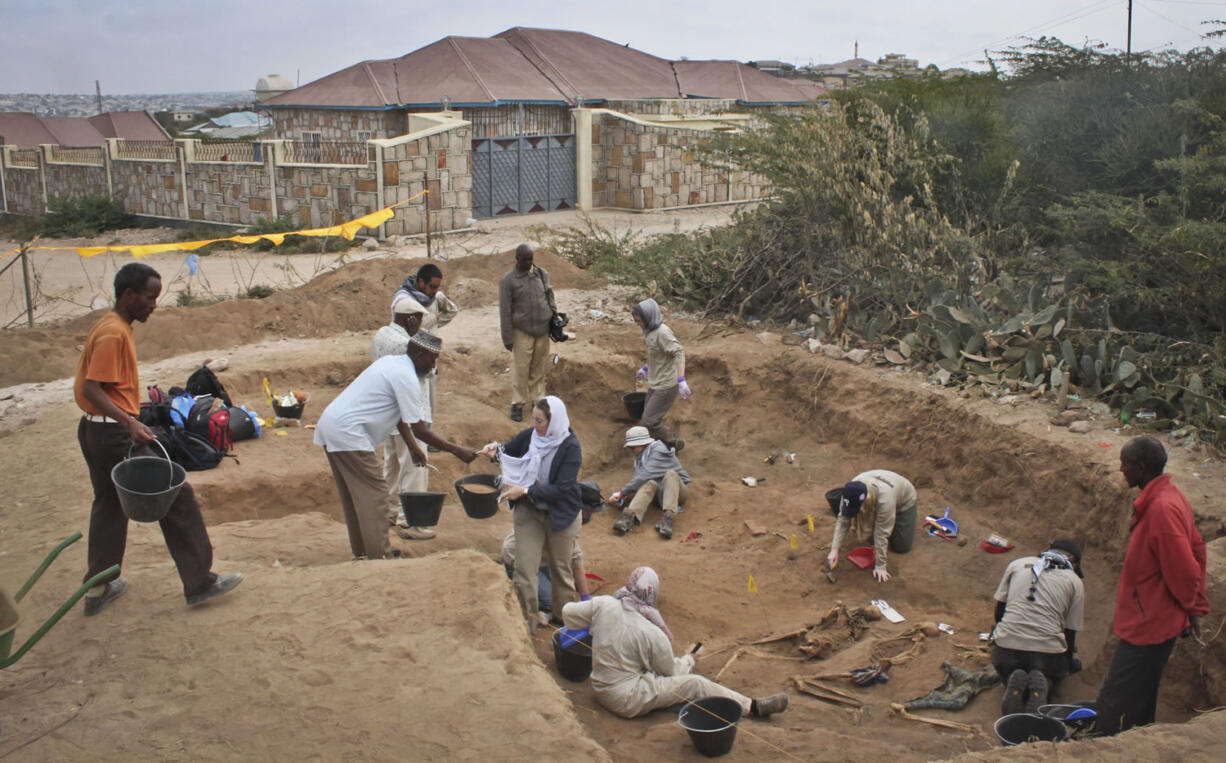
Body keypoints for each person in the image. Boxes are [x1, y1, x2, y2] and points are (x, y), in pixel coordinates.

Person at [74, 262, 242, 616]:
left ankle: (99, 586)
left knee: (108, 502)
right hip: (113, 432)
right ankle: (199, 582)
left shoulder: (114, 326)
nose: (153, 305)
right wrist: (129, 423)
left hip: (96, 429)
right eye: (149, 298)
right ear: (129, 295)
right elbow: (92, 386)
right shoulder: (113, 333)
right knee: (175, 494)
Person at [314, 331, 476, 559]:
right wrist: (458, 451)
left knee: (356, 496)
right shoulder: (407, 377)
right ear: (420, 354)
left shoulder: (392, 364)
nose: (433, 365)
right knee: (377, 493)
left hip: (333, 426)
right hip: (349, 433)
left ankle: (363, 551)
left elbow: (401, 415)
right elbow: (421, 430)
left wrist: (412, 447)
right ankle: (379, 554)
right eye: (432, 359)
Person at [561, 566, 788, 719]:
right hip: (625, 701)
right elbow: (670, 672)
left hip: (599, 686)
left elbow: (568, 614)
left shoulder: (605, 604)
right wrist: (689, 659)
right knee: (695, 684)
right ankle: (753, 707)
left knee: (653, 675)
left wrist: (599, 623)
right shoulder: (653, 632)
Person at [1095, 436, 1209, 736]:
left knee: (1114, 695)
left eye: (1125, 464)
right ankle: (1139, 739)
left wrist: (1193, 607)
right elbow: (1198, 548)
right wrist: (1192, 608)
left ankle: (1100, 747)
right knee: (1143, 689)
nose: (1121, 470)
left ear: (1141, 468)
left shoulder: (1161, 509)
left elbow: (1184, 568)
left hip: (1151, 622)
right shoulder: (1171, 497)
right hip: (1154, 615)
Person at [480, 395, 580, 632]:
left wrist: (524, 490)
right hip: (529, 510)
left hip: (559, 513)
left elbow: (562, 489)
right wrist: (494, 449)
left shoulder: (570, 447)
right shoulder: (531, 438)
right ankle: (528, 623)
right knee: (525, 568)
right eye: (534, 420)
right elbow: (507, 451)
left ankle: (565, 620)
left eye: (540, 421)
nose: (536, 426)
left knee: (561, 569)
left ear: (554, 421)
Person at [991, 539, 1086, 715]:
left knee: (1004, 663)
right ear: (1071, 559)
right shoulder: (1074, 581)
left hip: (1007, 649)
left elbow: (999, 614)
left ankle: (1010, 679)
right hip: (1046, 655)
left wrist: (999, 638)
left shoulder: (1017, 565)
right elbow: (1070, 633)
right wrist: (1068, 663)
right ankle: (1046, 684)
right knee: (1058, 670)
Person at [370, 297, 436, 540]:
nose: (419, 324)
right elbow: (427, 371)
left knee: (393, 467)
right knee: (414, 468)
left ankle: (390, 513)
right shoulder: (408, 344)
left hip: (388, 414)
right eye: (418, 319)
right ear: (410, 318)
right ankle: (411, 522)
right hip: (410, 413)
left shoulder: (381, 335)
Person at [390, 263, 458, 425]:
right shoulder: (404, 300)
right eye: (432, 286)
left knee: (429, 397)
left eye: (437, 287)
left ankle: (427, 434)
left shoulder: (435, 298)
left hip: (429, 357)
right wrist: (431, 320)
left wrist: (434, 324)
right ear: (421, 282)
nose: (434, 291)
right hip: (410, 357)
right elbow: (403, 327)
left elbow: (452, 310)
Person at [498, 244, 557, 422]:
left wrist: (555, 319)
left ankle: (538, 401)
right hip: (521, 330)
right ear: (517, 259)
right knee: (521, 369)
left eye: (530, 259)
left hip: (542, 329)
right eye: (524, 259)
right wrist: (507, 337)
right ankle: (518, 404)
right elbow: (505, 310)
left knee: (539, 367)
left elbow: (550, 296)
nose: (528, 262)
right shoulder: (508, 280)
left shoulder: (541, 274)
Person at [826, 470, 917, 583]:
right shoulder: (850, 492)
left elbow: (881, 533)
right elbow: (843, 521)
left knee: (901, 547)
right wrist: (834, 550)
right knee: (872, 537)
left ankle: (895, 522)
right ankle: (888, 522)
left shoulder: (885, 500)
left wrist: (880, 566)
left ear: (865, 499)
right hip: (877, 502)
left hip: (904, 503)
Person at [608, 426, 691, 539]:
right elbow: (640, 482)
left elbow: (644, 476)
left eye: (632, 448)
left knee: (670, 475)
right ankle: (628, 517)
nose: (631, 451)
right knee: (650, 482)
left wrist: (622, 493)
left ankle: (667, 520)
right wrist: (624, 498)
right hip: (659, 495)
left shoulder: (659, 451)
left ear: (641, 444)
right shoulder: (641, 457)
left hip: (677, 493)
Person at [631, 298, 689, 450]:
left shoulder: (662, 333)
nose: (639, 324)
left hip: (666, 385)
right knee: (648, 418)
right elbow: (657, 355)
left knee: (649, 421)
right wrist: (645, 368)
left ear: (649, 317)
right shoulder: (650, 331)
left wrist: (681, 379)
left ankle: (672, 442)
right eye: (636, 321)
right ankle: (661, 446)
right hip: (655, 383)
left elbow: (678, 352)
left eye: (640, 321)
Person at [500, 532, 590, 617]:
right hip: (519, 560)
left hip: (542, 561)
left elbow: (576, 562)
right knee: (553, 603)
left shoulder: (565, 532)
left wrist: (585, 598)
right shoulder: (535, 530)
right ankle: (514, 591)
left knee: (563, 592)